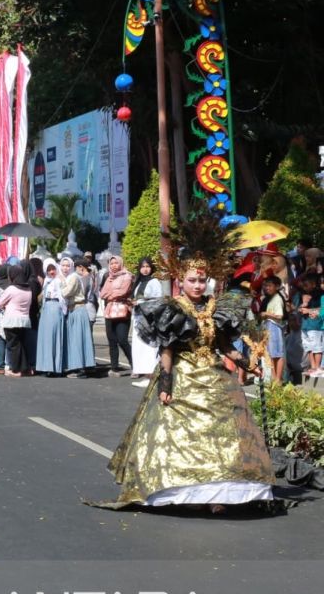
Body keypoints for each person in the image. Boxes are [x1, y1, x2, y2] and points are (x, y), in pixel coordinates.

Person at [96, 215, 275, 512]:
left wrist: (248, 364)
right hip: (182, 376)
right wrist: (165, 384)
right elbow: (166, 349)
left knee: (224, 434)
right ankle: (185, 491)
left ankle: (220, 495)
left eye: (201, 280)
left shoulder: (217, 307)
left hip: (214, 376)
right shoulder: (173, 309)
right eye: (192, 280)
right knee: (179, 437)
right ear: (181, 280)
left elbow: (223, 345)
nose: (197, 284)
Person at [129, 257, 164, 386]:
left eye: (147, 266)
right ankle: (146, 374)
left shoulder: (154, 281)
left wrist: (139, 302)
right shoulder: (139, 281)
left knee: (149, 346)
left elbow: (158, 300)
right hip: (139, 317)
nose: (145, 269)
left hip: (148, 318)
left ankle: (151, 375)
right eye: (143, 266)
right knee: (140, 346)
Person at [99, 255, 134, 375]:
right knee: (112, 340)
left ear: (120, 263)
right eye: (111, 263)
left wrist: (112, 294)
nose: (114, 265)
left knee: (123, 339)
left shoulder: (127, 276)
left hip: (122, 310)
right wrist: (112, 292)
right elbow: (103, 294)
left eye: (116, 263)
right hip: (109, 311)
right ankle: (114, 368)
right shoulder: (108, 277)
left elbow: (123, 291)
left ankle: (135, 365)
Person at [0, 265, 33, 377]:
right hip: (24, 320)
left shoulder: (11, 289)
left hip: (11, 320)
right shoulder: (28, 289)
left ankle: (16, 369)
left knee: (13, 345)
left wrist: (5, 306)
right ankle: (25, 368)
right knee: (21, 344)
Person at [62, 257, 95, 377]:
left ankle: (79, 369)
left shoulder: (75, 277)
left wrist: (59, 286)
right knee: (79, 339)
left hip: (77, 309)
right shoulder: (77, 277)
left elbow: (66, 292)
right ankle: (80, 367)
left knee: (77, 340)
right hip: (77, 309)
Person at [35, 258, 65, 376]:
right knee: (45, 338)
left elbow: (63, 297)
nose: (51, 272)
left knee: (54, 337)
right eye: (48, 269)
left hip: (55, 307)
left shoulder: (59, 280)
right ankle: (46, 366)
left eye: (53, 269)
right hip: (45, 309)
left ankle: (55, 367)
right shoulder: (46, 281)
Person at [260, 275, 287, 383]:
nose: (267, 288)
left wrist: (266, 314)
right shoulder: (271, 299)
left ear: (276, 286)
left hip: (275, 327)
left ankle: (278, 379)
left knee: (278, 354)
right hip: (269, 327)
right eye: (266, 286)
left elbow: (279, 316)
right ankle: (274, 377)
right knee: (271, 353)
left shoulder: (278, 299)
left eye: (270, 286)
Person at [298, 272, 322, 377]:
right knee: (309, 347)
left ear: (313, 283)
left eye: (306, 285)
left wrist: (308, 310)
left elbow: (321, 309)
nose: (305, 287)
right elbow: (299, 309)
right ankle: (312, 367)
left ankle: (317, 367)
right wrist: (303, 305)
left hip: (316, 325)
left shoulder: (320, 295)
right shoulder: (302, 294)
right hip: (305, 325)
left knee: (317, 346)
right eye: (303, 285)